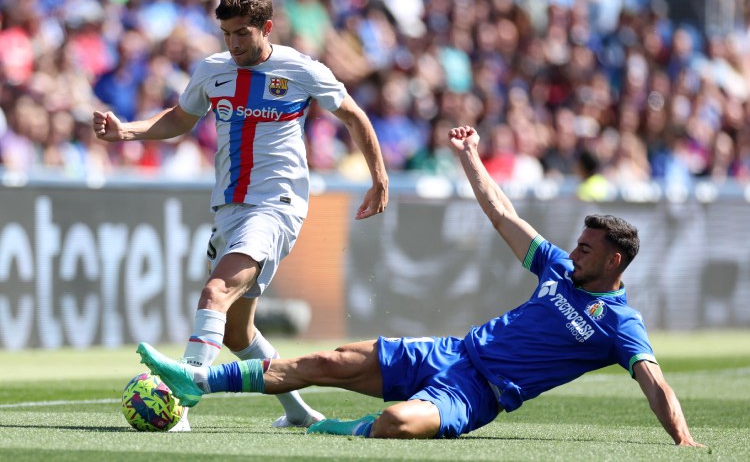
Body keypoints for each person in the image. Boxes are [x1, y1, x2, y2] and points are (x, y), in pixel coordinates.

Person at [136, 126, 703, 446]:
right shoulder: (558, 269)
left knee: (396, 424)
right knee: (329, 361)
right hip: (450, 351)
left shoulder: (621, 324)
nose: (573, 252)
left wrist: (683, 441)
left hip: (477, 394)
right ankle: (197, 381)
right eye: (577, 245)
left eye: (586, 249)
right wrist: (471, 157)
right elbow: (503, 216)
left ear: (615, 262)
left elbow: (655, 385)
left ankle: (333, 429)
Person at [92, 0, 389, 431]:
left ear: (266, 28)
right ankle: (299, 413)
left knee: (215, 292)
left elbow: (353, 115)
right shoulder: (213, 70)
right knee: (236, 332)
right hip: (230, 208)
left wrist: (379, 178)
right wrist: (126, 132)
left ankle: (181, 404)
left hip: (276, 206)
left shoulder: (301, 69)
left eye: (242, 34)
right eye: (227, 34)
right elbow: (180, 117)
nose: (233, 44)